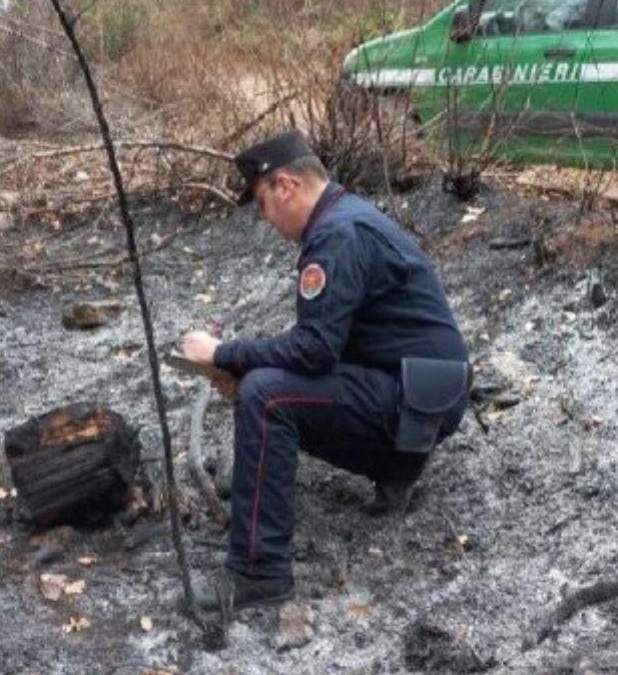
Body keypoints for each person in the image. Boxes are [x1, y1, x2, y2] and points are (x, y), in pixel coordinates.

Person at [179, 130, 470, 612]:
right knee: (266, 383)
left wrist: (225, 354)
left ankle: (258, 572)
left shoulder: (337, 236)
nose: (265, 219)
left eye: (262, 203)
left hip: (413, 398)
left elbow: (313, 351)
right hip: (426, 391)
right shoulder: (347, 218)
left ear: (285, 186)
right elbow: (330, 343)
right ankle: (397, 469)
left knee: (266, 396)